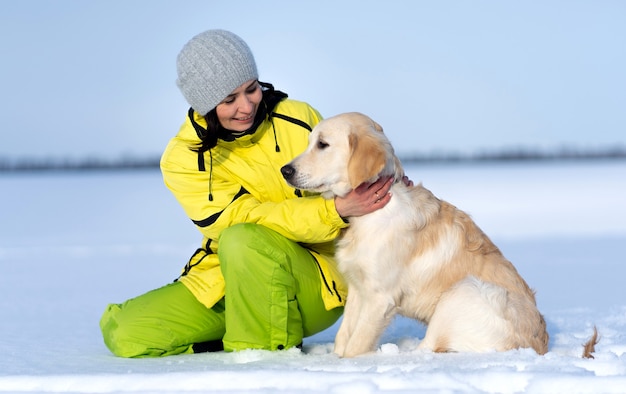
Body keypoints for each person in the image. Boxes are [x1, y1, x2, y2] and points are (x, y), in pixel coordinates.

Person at [99, 29, 395, 357]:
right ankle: (243, 327)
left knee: (244, 241)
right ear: (205, 105)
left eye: (251, 89)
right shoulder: (183, 159)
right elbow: (241, 218)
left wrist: (390, 181)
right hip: (231, 275)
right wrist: (334, 210)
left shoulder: (298, 118)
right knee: (125, 332)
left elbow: (355, 159)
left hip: (317, 281)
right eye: (229, 100)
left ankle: (256, 363)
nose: (246, 106)